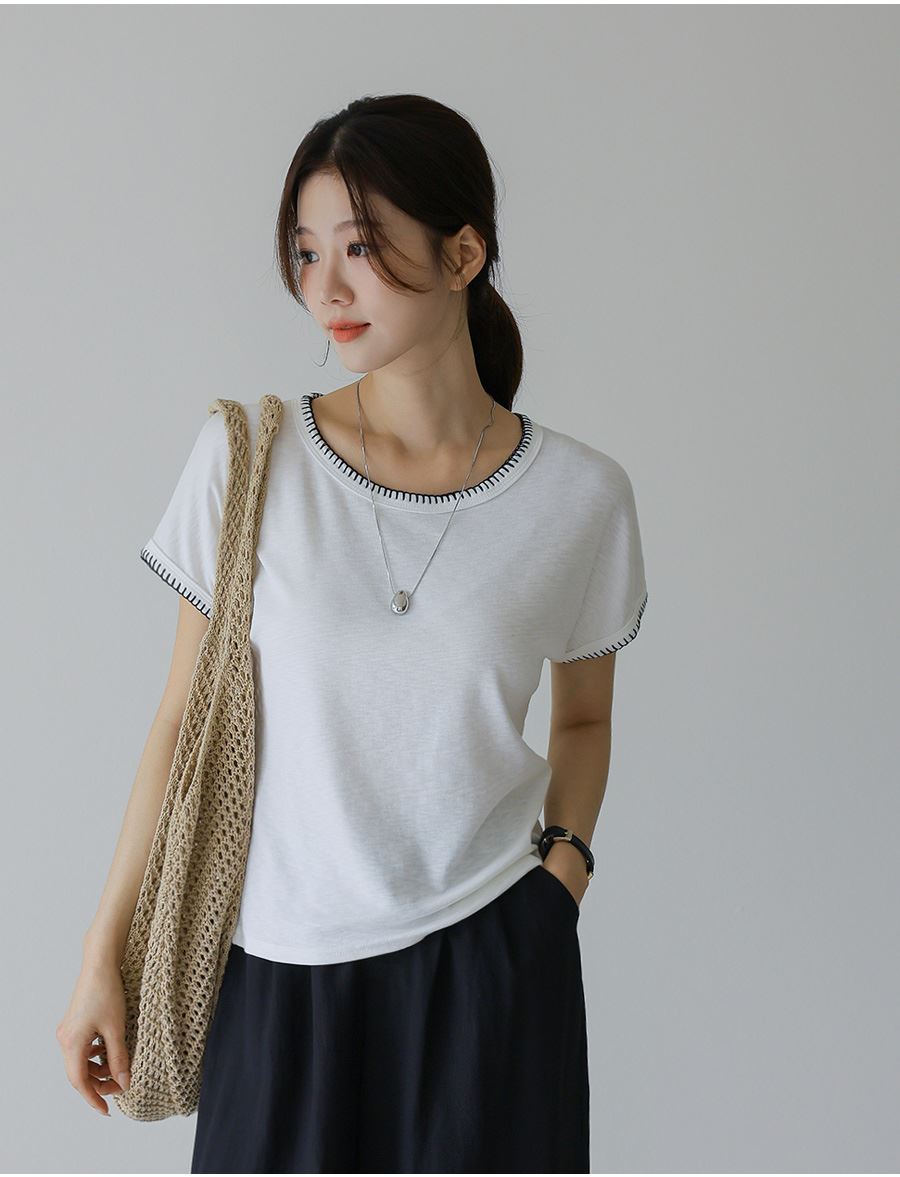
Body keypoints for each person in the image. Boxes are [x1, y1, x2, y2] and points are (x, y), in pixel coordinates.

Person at [56, 93, 649, 1173]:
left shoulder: (579, 497)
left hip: (490, 970)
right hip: (278, 977)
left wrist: (557, 883)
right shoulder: (248, 463)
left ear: (464, 253)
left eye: (362, 247)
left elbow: (586, 718)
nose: (325, 287)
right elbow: (182, 720)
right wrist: (105, 948)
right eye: (306, 250)